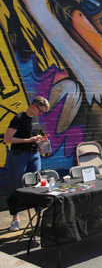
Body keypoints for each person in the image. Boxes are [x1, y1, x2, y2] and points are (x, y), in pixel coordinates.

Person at [5, 96, 50, 232]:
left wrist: (40, 140)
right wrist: (28, 140)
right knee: (18, 186)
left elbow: (33, 136)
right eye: (40, 111)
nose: (40, 114)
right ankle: (15, 218)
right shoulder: (19, 118)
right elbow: (8, 138)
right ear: (34, 106)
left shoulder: (35, 119)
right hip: (19, 155)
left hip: (34, 154)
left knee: (37, 185)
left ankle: (40, 218)